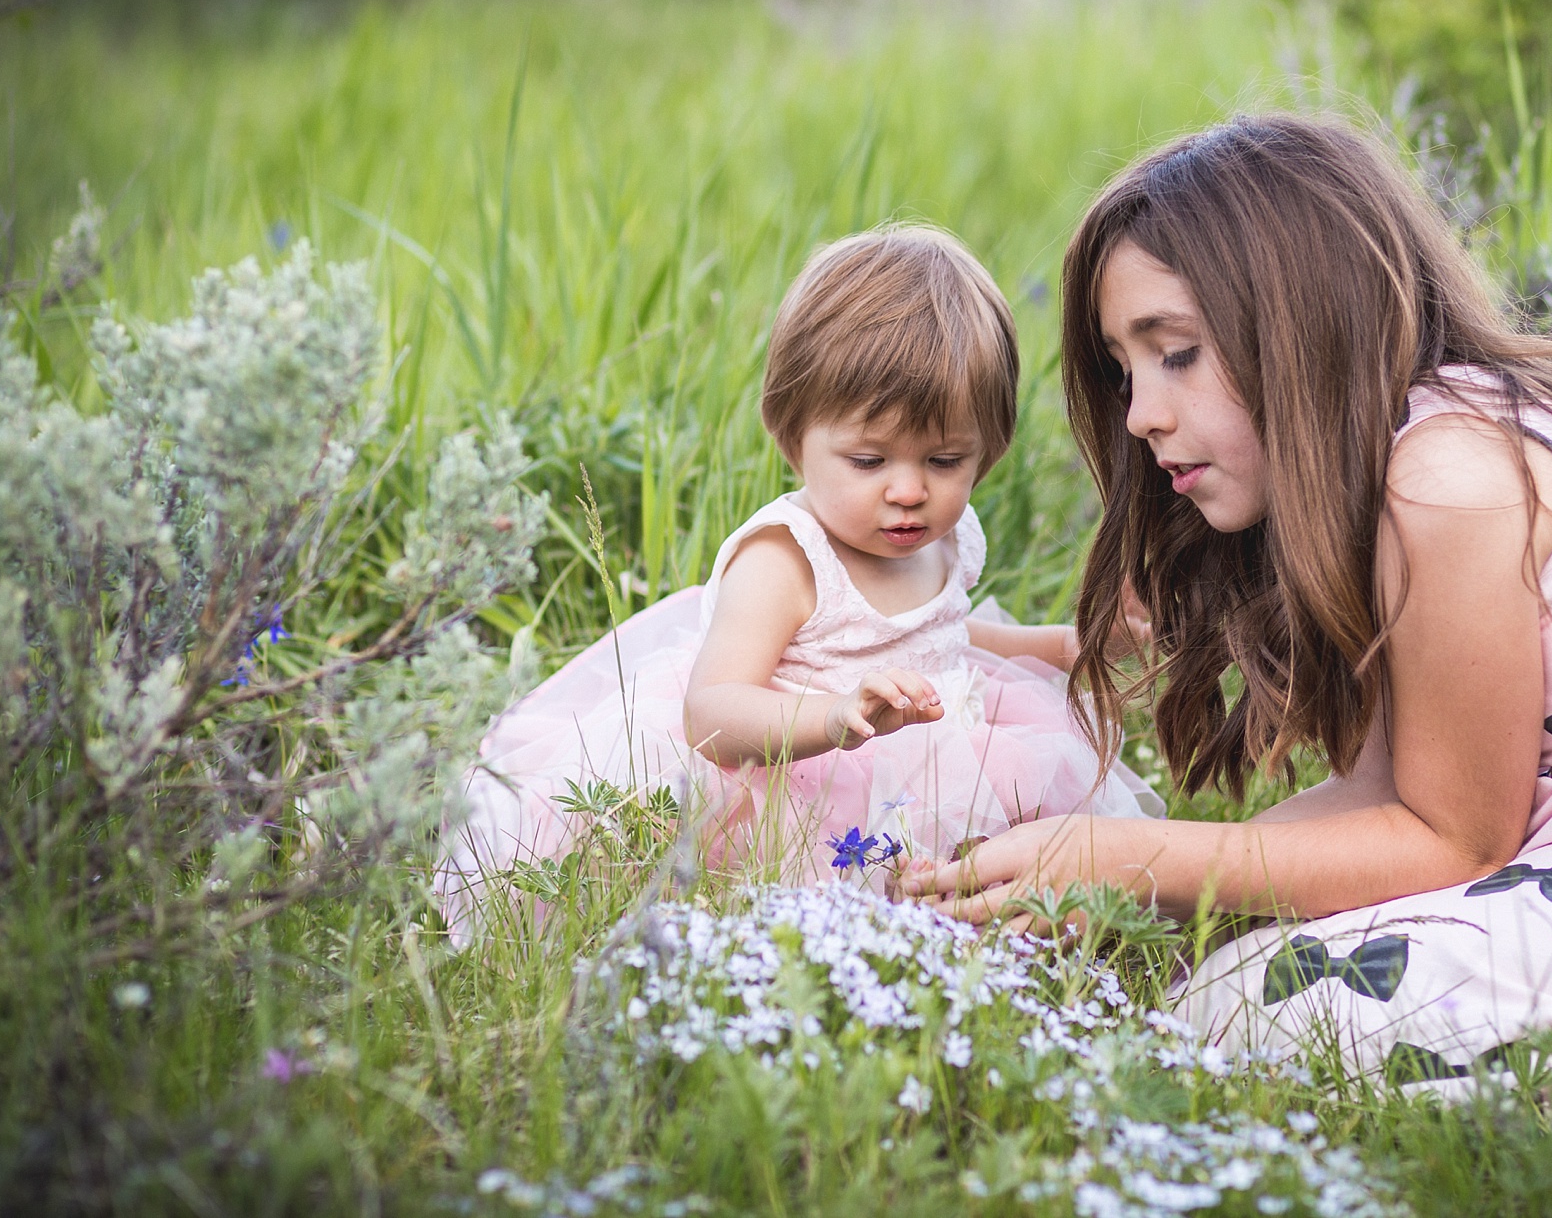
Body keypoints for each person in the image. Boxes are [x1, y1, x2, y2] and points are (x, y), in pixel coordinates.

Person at [902, 114, 1552, 1084]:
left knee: (1245, 1016)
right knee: (1216, 981)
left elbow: (1452, 842)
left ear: (1301, 322)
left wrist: (1117, 859)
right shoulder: (1420, 457)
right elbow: (1382, 806)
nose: (1139, 413)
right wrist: (1120, 901)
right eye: (1124, 370)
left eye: (1175, 354)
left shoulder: (1448, 476)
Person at [436, 225, 1162, 944]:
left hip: (933, 761)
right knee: (777, 914)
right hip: (791, 776)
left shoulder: (949, 535)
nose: (908, 491)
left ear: (989, 450)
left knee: (985, 895)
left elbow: (947, 636)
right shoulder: (786, 562)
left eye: (944, 460)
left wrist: (1069, 646)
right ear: (793, 439)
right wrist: (834, 714)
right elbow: (712, 710)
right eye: (869, 461)